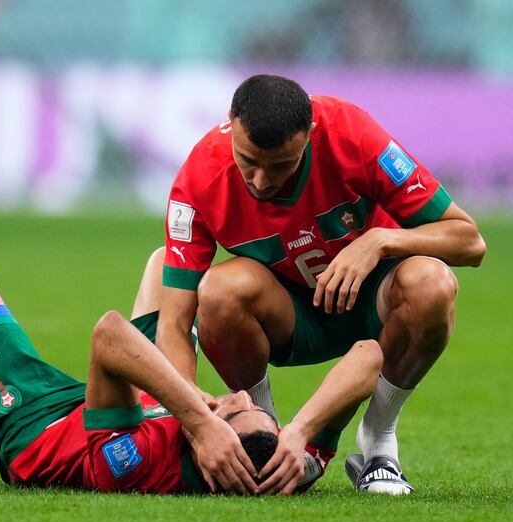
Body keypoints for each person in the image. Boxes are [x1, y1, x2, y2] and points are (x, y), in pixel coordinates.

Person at [158, 74, 487, 495]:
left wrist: (382, 239)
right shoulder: (199, 178)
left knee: (433, 283)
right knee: (219, 292)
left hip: (378, 307)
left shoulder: (352, 134)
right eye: (248, 161)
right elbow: (173, 324)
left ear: (310, 135)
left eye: (280, 165)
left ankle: (378, 444)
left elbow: (469, 241)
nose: (261, 181)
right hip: (291, 320)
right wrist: (196, 423)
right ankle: (268, 443)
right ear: (231, 123)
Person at [0, 238, 383, 495]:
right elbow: (369, 356)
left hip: (38, 425)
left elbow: (108, 335)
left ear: (213, 459)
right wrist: (298, 432)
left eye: (229, 416)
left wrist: (194, 416)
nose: (235, 397)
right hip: (152, 409)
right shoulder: (282, 470)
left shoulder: (136, 460)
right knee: (169, 262)